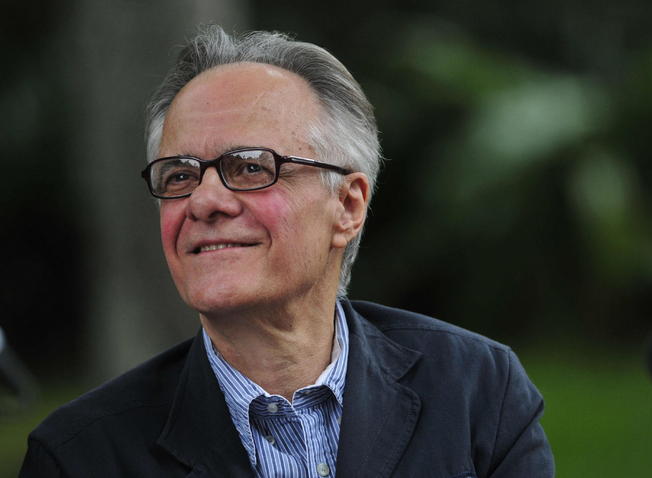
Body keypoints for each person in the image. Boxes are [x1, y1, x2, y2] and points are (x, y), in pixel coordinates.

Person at [20, 25, 554, 477]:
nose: (203, 200)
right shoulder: (80, 456)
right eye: (179, 175)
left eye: (251, 167)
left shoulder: (476, 391)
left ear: (347, 205)